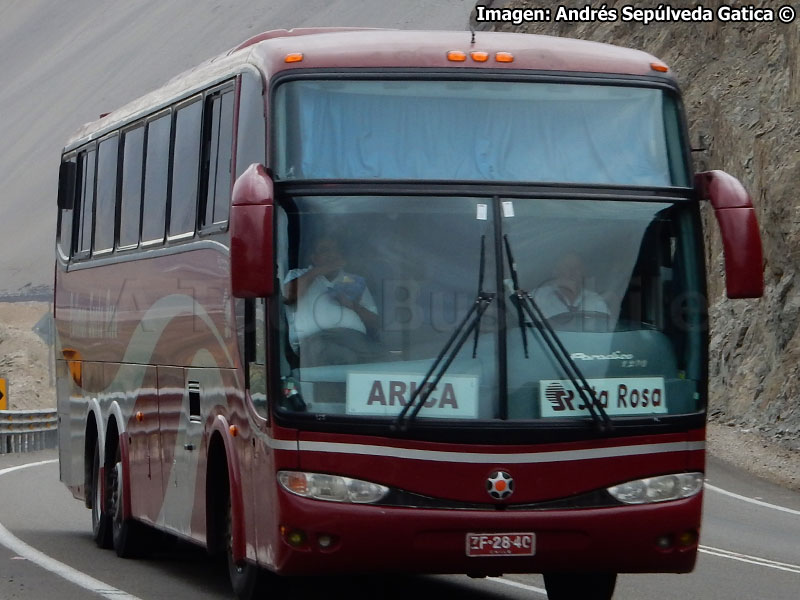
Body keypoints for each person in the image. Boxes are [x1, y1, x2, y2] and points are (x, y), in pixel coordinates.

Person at [283, 236, 380, 366]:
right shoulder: (298, 275)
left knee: (390, 363)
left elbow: (376, 323)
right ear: (313, 257)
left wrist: (352, 305)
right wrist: (320, 270)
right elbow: (287, 297)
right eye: (324, 250)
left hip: (356, 340)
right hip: (316, 341)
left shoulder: (354, 281)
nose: (331, 254)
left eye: (335, 250)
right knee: (346, 358)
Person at [532, 252, 609, 321]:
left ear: (583, 272)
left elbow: (604, 333)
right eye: (566, 267)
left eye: (577, 268)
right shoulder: (538, 297)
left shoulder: (596, 301)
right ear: (555, 271)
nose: (572, 272)